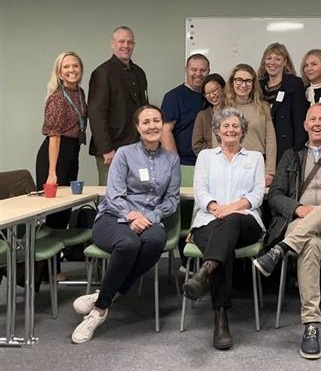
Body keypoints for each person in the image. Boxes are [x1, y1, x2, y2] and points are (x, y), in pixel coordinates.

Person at [253, 103, 321, 360]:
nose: (317, 124)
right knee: (310, 242)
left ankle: (280, 249)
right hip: (300, 223)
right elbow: (275, 196)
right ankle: (311, 326)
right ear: (305, 125)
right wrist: (298, 208)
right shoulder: (291, 156)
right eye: (312, 119)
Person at [71, 105, 180, 344]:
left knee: (155, 241)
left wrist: (151, 216)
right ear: (137, 127)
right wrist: (132, 216)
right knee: (128, 244)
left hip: (150, 219)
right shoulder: (124, 154)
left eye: (156, 121)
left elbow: (172, 199)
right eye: (146, 122)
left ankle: (104, 295)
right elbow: (114, 194)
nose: (152, 126)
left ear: (162, 125)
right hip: (114, 217)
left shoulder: (172, 160)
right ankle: (99, 311)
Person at [182, 108, 265, 350]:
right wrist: (215, 207)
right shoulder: (206, 156)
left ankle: (203, 273)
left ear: (242, 131)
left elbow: (257, 194)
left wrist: (231, 208)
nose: (230, 130)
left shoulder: (255, 158)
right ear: (217, 131)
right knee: (222, 247)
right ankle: (221, 317)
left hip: (245, 221)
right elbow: (200, 190)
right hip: (208, 220)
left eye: (235, 126)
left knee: (231, 222)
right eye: (225, 126)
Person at [35, 51, 87, 280]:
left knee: (64, 212)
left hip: (72, 152)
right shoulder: (57, 97)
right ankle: (45, 272)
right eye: (66, 67)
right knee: (54, 216)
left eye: (75, 66)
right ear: (59, 71)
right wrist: (52, 173)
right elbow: (54, 137)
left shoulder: (79, 93)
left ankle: (53, 269)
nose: (71, 70)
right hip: (55, 156)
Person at [88, 26, 149, 185]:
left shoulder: (140, 73)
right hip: (112, 150)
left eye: (130, 42)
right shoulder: (102, 73)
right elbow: (96, 113)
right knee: (112, 193)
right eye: (121, 41)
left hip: (137, 147)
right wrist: (106, 149)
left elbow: (144, 111)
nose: (126, 46)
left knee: (137, 192)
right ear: (112, 44)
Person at [223, 63, 276, 186]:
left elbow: (270, 139)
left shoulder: (263, 107)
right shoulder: (223, 107)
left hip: (257, 165)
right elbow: (216, 140)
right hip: (230, 165)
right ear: (232, 82)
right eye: (239, 80)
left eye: (248, 81)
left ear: (253, 84)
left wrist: (270, 171)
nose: (243, 85)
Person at [258, 43, 308, 164]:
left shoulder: (294, 84)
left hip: (286, 150)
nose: (272, 62)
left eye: (277, 59)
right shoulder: (258, 86)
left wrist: (298, 153)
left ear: (285, 62)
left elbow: (299, 121)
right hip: (263, 148)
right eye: (269, 58)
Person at [161, 53, 210, 165]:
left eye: (203, 70)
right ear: (186, 70)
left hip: (209, 161)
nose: (198, 74)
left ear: (208, 71)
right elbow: (165, 130)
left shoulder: (211, 97)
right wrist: (174, 162)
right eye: (194, 69)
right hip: (184, 162)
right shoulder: (174, 97)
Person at [191, 73, 226, 155]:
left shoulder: (235, 111)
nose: (212, 95)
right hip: (212, 159)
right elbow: (196, 146)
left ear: (224, 88)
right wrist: (216, 150)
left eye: (214, 90)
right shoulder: (202, 115)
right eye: (208, 93)